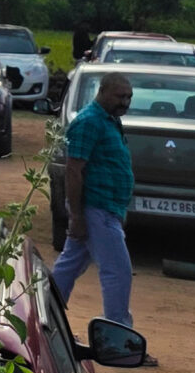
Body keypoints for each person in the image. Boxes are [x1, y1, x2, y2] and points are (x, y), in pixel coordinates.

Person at [53, 73, 147, 349]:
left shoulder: (109, 120)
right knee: (117, 271)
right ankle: (118, 341)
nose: (126, 102)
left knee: (68, 267)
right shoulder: (89, 122)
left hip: (107, 208)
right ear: (102, 91)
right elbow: (73, 170)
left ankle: (46, 322)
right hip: (96, 209)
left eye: (129, 97)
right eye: (120, 96)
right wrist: (77, 216)